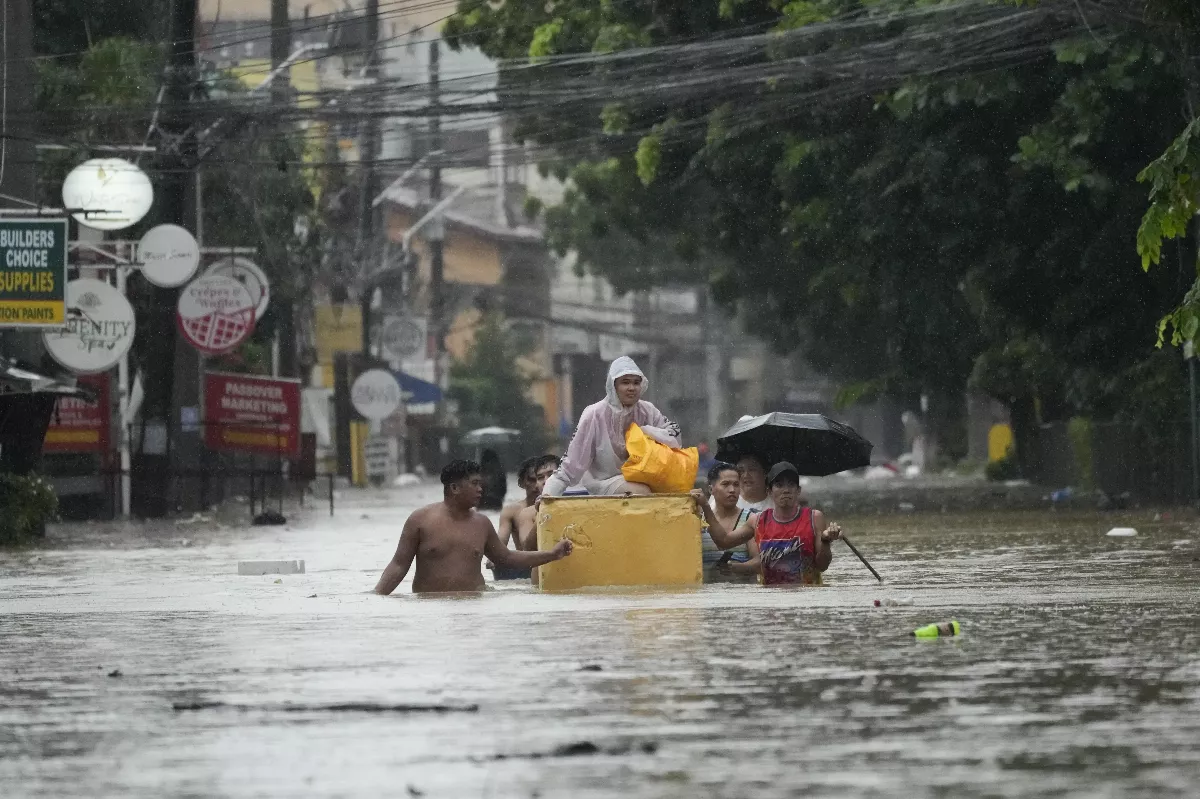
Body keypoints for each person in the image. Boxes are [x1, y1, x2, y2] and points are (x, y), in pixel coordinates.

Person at [374, 460, 573, 595]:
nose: (481, 489)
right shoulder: (420, 520)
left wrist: (552, 554)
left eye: (481, 483)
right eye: (475, 483)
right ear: (454, 488)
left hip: (474, 609)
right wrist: (376, 597)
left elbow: (508, 558)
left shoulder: (482, 523)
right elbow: (399, 565)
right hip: (431, 611)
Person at [542, 356, 681, 497]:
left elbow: (674, 436)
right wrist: (548, 496)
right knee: (641, 492)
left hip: (645, 476)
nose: (631, 388)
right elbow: (572, 462)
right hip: (605, 481)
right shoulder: (594, 414)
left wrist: (646, 431)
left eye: (636, 383)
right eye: (625, 383)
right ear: (613, 385)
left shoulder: (648, 410)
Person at [695, 461, 842, 586]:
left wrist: (826, 541)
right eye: (779, 485)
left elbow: (822, 566)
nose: (786, 490)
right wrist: (706, 507)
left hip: (806, 597)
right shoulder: (757, 520)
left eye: (791, 485)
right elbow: (723, 541)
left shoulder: (814, 517)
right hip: (770, 600)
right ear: (769, 491)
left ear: (798, 491)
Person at [701, 462, 760, 583]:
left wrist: (739, 568)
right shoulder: (700, 521)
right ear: (711, 489)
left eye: (736, 485)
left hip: (741, 596)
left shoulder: (750, 519)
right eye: (725, 484)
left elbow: (759, 561)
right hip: (707, 598)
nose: (732, 490)